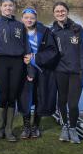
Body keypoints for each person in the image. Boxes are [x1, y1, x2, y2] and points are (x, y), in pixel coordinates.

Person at [0, 0, 29, 141]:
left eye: (10, 5)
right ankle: (0, 129)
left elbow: (26, 48)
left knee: (12, 97)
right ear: (0, 8)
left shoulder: (20, 26)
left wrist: (28, 69)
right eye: (5, 5)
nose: (8, 8)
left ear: (14, 8)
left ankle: (9, 130)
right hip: (1, 63)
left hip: (17, 63)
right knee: (3, 96)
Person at [50, 1, 83, 144]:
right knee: (61, 101)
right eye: (57, 11)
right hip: (59, 72)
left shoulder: (77, 29)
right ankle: (65, 126)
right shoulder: (52, 31)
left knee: (73, 104)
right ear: (54, 14)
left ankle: (73, 128)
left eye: (62, 11)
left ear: (67, 12)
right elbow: (47, 54)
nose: (60, 13)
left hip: (75, 73)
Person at [18, 7, 58, 139]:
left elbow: (53, 51)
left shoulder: (45, 31)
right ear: (22, 18)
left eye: (32, 18)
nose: (29, 20)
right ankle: (26, 126)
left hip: (41, 70)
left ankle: (35, 126)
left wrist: (36, 57)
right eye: (26, 17)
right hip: (23, 71)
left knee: (40, 97)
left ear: (36, 19)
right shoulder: (17, 31)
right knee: (25, 98)